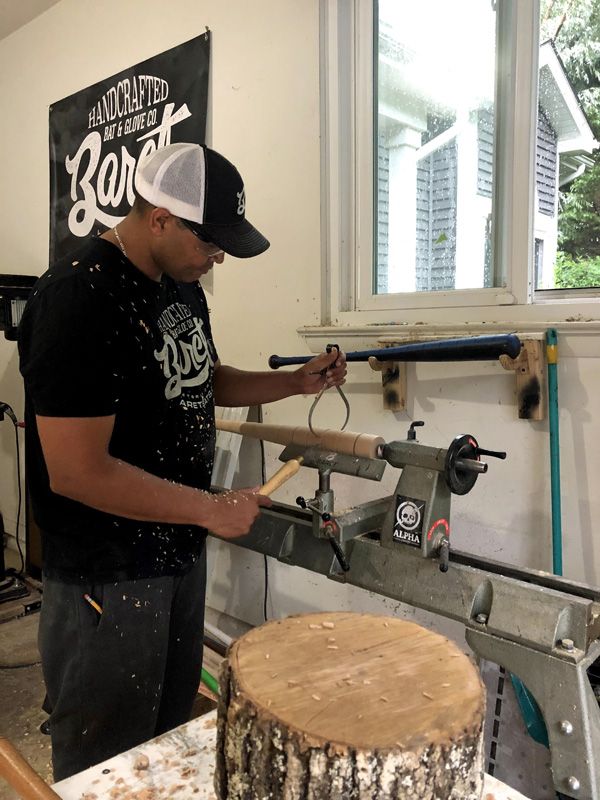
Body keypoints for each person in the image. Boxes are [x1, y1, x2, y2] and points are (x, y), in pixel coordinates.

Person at [18, 141, 347, 781]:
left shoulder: (179, 284)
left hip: (176, 554)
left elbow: (201, 378)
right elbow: (77, 471)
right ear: (160, 217)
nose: (218, 255)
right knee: (106, 767)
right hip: (106, 579)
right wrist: (210, 508)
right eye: (210, 241)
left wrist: (294, 383)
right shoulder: (78, 298)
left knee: (167, 742)